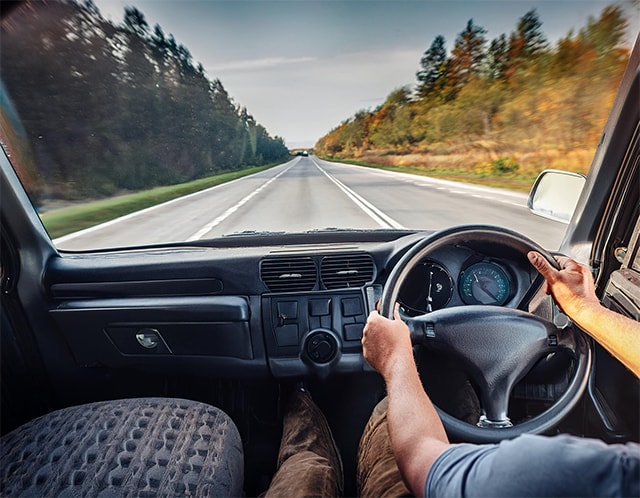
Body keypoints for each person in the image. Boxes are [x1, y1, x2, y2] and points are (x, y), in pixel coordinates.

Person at [263, 251, 640, 497]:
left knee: (307, 469)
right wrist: (583, 310)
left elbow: (422, 461)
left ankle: (300, 409)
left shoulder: (567, 474)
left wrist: (396, 359)